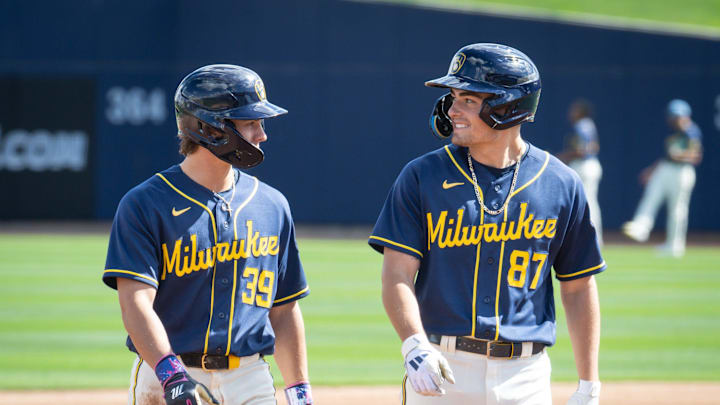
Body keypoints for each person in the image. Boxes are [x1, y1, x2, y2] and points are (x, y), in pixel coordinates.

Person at [368, 43, 605, 405]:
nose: (452, 109)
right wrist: (414, 345)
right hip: (441, 366)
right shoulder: (422, 176)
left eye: (468, 99)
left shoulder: (560, 182)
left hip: (525, 375)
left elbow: (578, 286)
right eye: (452, 97)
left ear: (507, 107)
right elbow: (397, 275)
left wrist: (589, 383)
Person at [103, 64, 313, 405]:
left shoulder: (272, 205)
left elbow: (284, 308)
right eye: (251, 122)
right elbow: (135, 301)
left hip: (251, 378)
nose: (262, 135)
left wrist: (299, 390)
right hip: (168, 374)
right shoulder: (145, 203)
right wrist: (171, 376)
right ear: (211, 129)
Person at [622, 99, 702, 257]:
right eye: (673, 116)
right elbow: (667, 156)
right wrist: (651, 170)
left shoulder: (691, 131)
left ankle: (674, 246)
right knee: (651, 197)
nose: (674, 119)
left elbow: (696, 156)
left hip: (682, 172)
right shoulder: (675, 132)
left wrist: (679, 156)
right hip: (666, 168)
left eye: (676, 116)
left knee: (677, 210)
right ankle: (640, 228)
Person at [558, 99, 603, 246]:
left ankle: (592, 238)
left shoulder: (582, 125)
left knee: (586, 203)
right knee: (589, 202)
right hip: (590, 166)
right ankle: (594, 238)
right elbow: (593, 147)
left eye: (575, 110)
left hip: (584, 166)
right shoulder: (589, 124)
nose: (571, 113)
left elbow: (584, 150)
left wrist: (561, 157)